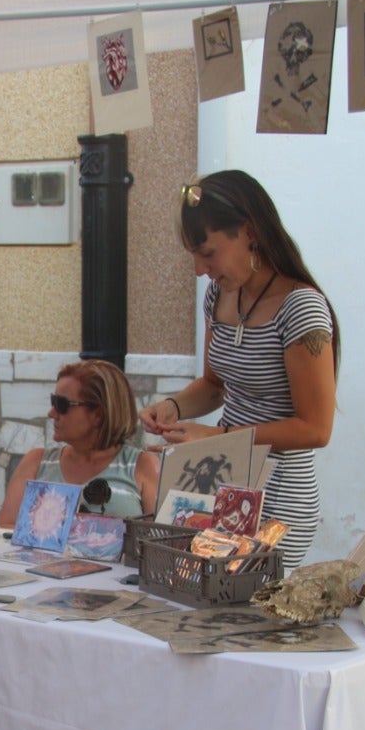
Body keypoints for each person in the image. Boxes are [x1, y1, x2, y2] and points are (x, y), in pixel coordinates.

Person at [138, 170, 338, 567]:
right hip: (226, 487)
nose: (199, 269)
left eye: (207, 253)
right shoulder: (218, 295)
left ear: (248, 231)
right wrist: (175, 407)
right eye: (193, 256)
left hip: (279, 495)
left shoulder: (301, 308)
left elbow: (316, 428)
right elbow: (215, 385)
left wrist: (215, 438)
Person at [0, 358, 160, 526]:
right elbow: (4, 531)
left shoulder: (143, 466)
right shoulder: (36, 463)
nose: (51, 412)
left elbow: (161, 541)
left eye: (61, 404)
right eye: (53, 401)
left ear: (98, 414)